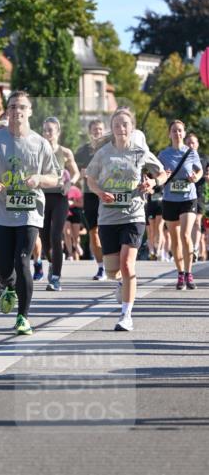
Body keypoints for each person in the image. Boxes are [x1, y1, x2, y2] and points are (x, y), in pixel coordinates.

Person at [0, 90, 59, 335]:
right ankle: (7, 285)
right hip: (1, 210)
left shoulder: (40, 143)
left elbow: (55, 178)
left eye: (22, 107)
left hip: (30, 210)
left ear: (30, 111)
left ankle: (23, 317)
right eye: (12, 107)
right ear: (7, 111)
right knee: (2, 263)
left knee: (23, 258)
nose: (17, 111)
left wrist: (39, 179)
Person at [85, 108, 166, 332]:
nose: (121, 128)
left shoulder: (140, 151)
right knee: (113, 270)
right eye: (117, 124)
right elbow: (90, 179)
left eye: (125, 125)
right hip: (108, 216)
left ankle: (126, 315)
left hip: (134, 214)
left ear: (132, 128)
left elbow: (162, 173)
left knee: (127, 263)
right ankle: (120, 282)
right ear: (112, 128)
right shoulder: (103, 153)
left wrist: (153, 183)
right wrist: (100, 192)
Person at [157, 120, 203, 290]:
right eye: (174, 131)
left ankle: (189, 273)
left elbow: (199, 171)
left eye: (180, 131)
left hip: (188, 198)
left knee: (185, 235)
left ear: (184, 133)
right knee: (175, 239)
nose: (177, 133)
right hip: (170, 199)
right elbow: (157, 172)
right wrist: (163, 174)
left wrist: (195, 178)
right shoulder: (163, 154)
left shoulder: (191, 153)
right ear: (169, 134)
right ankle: (180, 273)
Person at [40, 117, 80, 291]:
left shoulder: (65, 152)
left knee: (57, 236)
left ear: (58, 132)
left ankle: (56, 278)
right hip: (42, 197)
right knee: (45, 240)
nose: (48, 133)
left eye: (51, 130)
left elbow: (76, 173)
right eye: (45, 130)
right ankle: (52, 263)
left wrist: (69, 183)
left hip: (59, 198)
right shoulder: (38, 151)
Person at [74, 119, 107, 279]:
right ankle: (101, 267)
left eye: (100, 129)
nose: (97, 132)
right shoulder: (82, 151)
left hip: (108, 193)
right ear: (89, 132)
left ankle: (113, 263)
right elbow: (74, 170)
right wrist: (81, 174)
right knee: (94, 232)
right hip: (89, 194)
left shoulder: (110, 148)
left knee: (109, 231)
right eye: (95, 129)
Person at [187, 132, 208, 261]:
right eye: (188, 143)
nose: (190, 145)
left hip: (199, 195)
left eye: (193, 143)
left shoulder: (204, 159)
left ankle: (194, 248)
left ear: (197, 144)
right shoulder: (180, 158)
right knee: (186, 224)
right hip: (183, 195)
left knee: (196, 221)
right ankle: (187, 246)